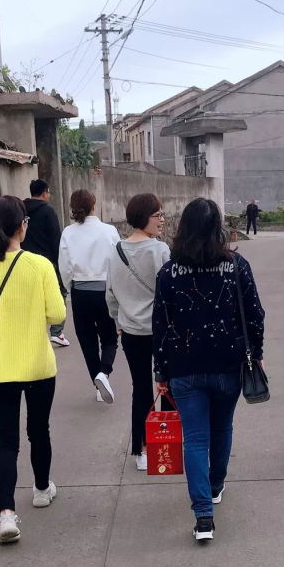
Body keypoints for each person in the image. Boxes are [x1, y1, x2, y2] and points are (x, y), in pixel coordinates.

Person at [153, 198, 265, 542]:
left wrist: (161, 373)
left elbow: (160, 326)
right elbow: (255, 315)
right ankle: (215, 485)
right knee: (222, 426)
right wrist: (257, 354)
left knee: (195, 438)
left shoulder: (169, 273)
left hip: (184, 368)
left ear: (183, 228)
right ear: (218, 228)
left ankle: (203, 516)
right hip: (229, 365)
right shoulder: (236, 266)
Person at [0, 195, 66, 544]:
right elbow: (57, 314)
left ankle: (6, 514)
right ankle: (41, 489)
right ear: (23, 226)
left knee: (6, 442)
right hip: (37, 365)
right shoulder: (39, 265)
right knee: (39, 431)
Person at [106, 193, 171, 471]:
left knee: (141, 388)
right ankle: (167, 443)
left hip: (131, 331)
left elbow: (110, 293)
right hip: (161, 330)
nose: (162, 220)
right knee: (168, 386)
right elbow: (169, 293)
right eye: (158, 215)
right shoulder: (160, 251)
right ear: (144, 217)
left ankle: (141, 450)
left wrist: (118, 321)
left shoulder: (116, 251)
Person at [58, 189, 120, 403]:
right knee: (110, 337)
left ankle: (98, 382)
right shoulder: (109, 231)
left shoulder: (68, 232)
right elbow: (117, 262)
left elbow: (64, 266)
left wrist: (70, 287)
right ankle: (104, 372)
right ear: (94, 205)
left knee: (87, 340)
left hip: (80, 291)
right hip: (105, 289)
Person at [22, 178, 70, 347]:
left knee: (33, 296)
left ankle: (33, 331)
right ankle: (57, 332)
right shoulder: (48, 211)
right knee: (60, 290)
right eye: (48, 192)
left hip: (25, 261)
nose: (49, 195)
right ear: (44, 193)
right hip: (47, 262)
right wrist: (60, 263)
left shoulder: (21, 209)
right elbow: (56, 239)